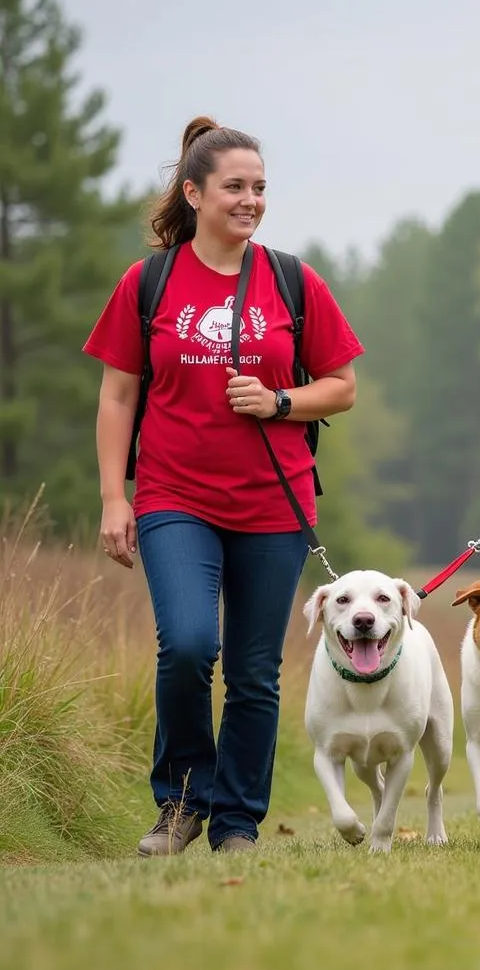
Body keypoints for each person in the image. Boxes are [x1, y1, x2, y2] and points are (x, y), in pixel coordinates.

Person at [84, 117, 364, 857]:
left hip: (273, 502)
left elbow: (341, 388)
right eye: (235, 187)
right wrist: (116, 496)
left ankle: (237, 822)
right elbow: (117, 396)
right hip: (175, 497)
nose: (250, 200)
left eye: (260, 188)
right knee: (184, 646)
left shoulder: (291, 280)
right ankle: (179, 803)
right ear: (194, 192)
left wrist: (278, 402)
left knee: (253, 673)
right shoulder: (149, 283)